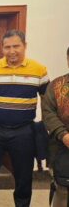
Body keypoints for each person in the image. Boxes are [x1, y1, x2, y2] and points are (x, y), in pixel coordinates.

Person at [0, 29, 49, 207]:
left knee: (24, 175)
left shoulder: (39, 70)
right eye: (7, 47)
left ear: (25, 46)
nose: (12, 51)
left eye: (16, 46)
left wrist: (46, 127)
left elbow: (47, 100)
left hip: (24, 131)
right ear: (2, 49)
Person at [41, 46, 69, 207]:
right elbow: (48, 112)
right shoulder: (57, 85)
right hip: (61, 145)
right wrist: (63, 135)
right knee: (62, 189)